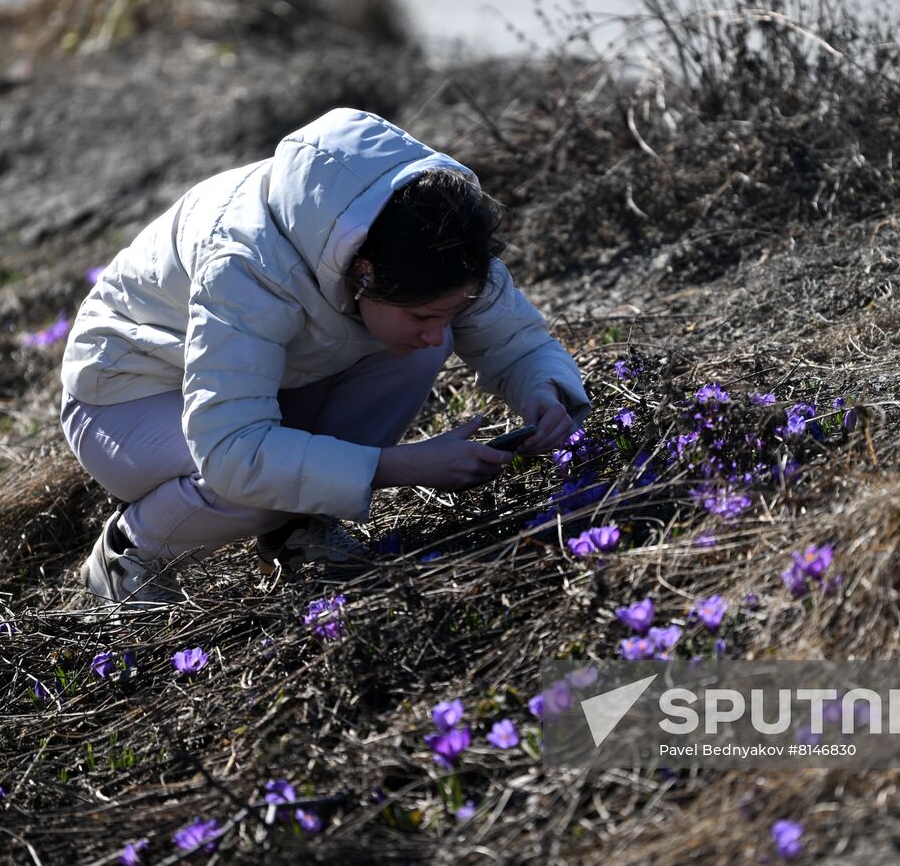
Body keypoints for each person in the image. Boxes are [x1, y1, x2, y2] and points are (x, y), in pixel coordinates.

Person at [59, 107, 590, 606]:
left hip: (258, 378)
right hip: (125, 397)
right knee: (258, 486)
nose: (437, 330)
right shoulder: (246, 263)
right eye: (424, 313)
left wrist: (546, 390)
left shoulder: (437, 230)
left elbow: (514, 339)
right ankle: (130, 549)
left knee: (412, 347)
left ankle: (296, 527)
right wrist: (399, 466)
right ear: (362, 274)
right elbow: (231, 454)